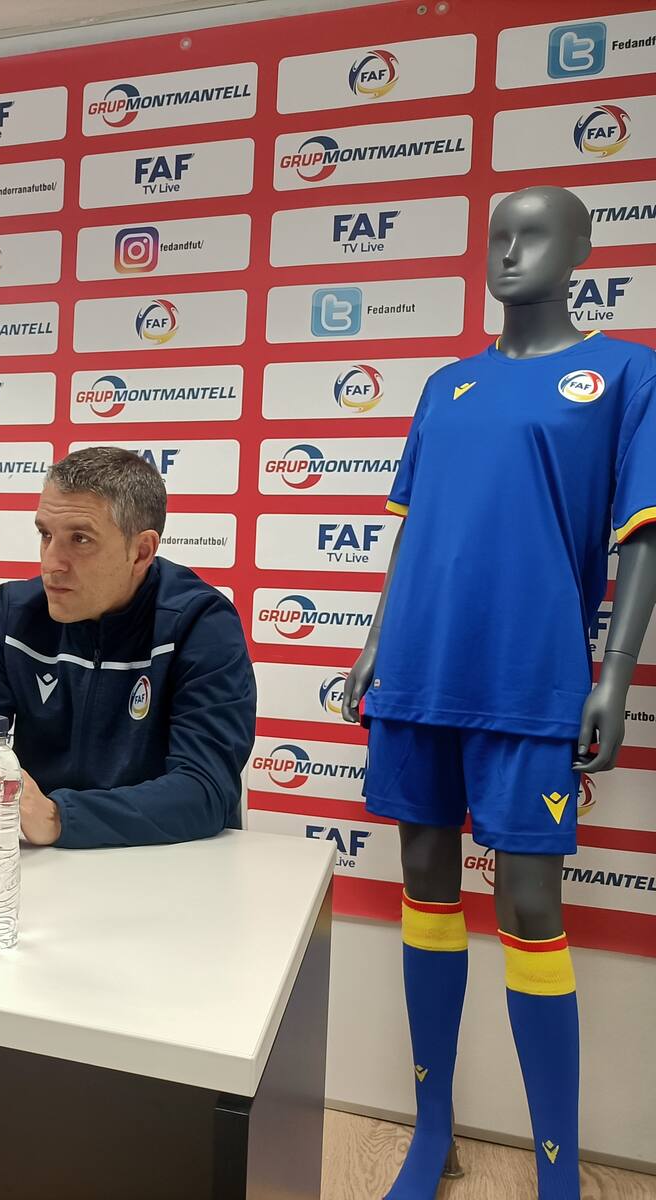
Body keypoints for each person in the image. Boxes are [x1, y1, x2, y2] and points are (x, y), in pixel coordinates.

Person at [342, 186, 656, 1200]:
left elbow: (643, 538)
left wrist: (613, 675)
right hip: (417, 675)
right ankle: (432, 1131)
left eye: (535, 235)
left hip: (530, 678)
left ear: (581, 250)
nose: (510, 253)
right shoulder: (448, 386)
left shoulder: (627, 373)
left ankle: (558, 1170)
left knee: (529, 905)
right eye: (497, 236)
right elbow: (412, 529)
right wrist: (374, 643)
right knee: (425, 887)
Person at [0, 446, 256, 849]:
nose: (51, 563)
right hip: (34, 858)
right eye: (46, 535)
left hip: (164, 863)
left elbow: (204, 788)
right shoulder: (16, 612)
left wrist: (60, 817)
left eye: (80, 539)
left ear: (141, 552)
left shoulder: (200, 622)